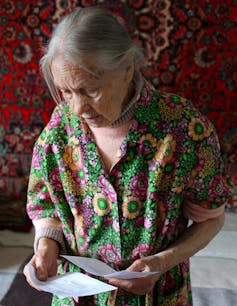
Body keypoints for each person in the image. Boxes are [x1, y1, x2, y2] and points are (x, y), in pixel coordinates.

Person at [23, 6, 233, 306]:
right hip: (79, 298)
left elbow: (210, 219)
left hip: (158, 296)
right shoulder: (59, 131)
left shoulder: (183, 128)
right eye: (66, 92)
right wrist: (45, 247)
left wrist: (161, 262)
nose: (77, 109)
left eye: (90, 90)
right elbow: (48, 209)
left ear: (127, 69)